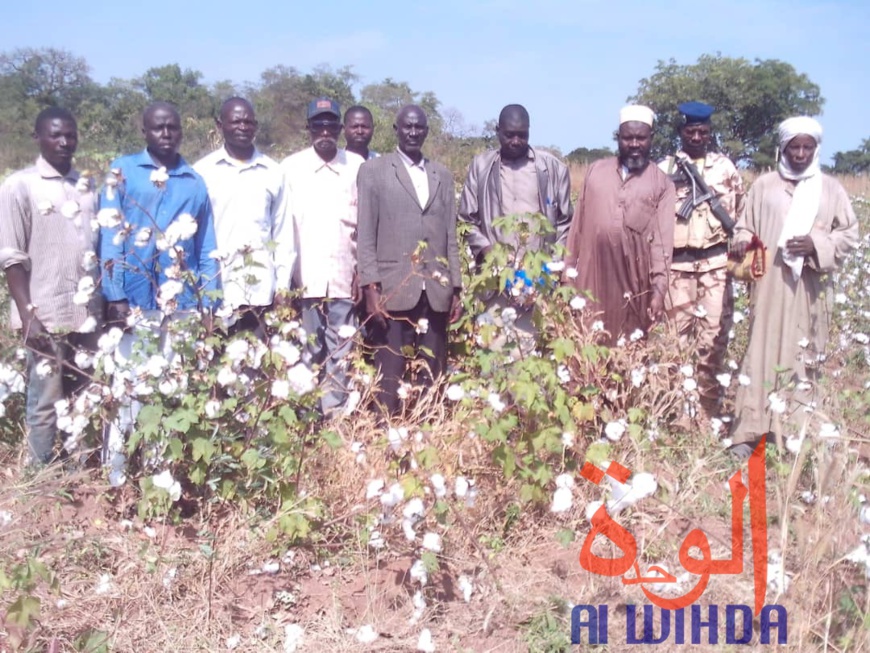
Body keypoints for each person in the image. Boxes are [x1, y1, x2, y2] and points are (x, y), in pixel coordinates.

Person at [99, 101, 219, 482]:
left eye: (172, 128)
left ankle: (156, 475)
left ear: (181, 131)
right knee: (128, 391)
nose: (165, 134)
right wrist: (114, 295)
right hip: (134, 301)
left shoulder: (194, 181)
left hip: (181, 304)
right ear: (144, 131)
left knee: (169, 388)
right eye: (158, 128)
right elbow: (110, 239)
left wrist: (208, 302)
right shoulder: (124, 173)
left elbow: (205, 247)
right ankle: (115, 476)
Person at [729, 117, 859, 458]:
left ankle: (796, 434)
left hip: (810, 288)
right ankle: (749, 431)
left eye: (807, 147)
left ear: (815, 149)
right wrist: (744, 242)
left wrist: (816, 245)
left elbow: (849, 235)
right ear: (783, 148)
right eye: (794, 146)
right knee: (760, 349)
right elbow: (744, 228)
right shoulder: (764, 186)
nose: (800, 153)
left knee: (803, 353)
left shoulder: (830, 189)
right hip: (770, 284)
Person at [0, 107, 101, 466]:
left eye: (70, 135)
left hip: (86, 315)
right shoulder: (19, 185)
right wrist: (28, 315)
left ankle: (81, 472)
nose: (63, 141)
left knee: (84, 394)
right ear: (37, 137)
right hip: (44, 311)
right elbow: (11, 256)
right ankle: (40, 479)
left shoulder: (87, 187)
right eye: (55, 135)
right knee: (45, 398)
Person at [357, 104, 463, 416]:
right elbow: (366, 234)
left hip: (434, 289)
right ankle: (383, 435)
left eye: (419, 128)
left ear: (426, 131)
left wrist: (456, 287)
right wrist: (370, 287)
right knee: (388, 374)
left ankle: (429, 429)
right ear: (396, 130)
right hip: (393, 288)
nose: (413, 133)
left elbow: (450, 236)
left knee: (433, 370)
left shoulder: (441, 174)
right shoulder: (374, 171)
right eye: (407, 127)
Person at [459, 104, 572, 355]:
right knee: (495, 354)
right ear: (497, 131)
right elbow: (466, 219)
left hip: (538, 280)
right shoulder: (481, 167)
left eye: (522, 134)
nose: (516, 140)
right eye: (509, 134)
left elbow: (566, 222)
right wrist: (487, 251)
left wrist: (551, 265)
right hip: (496, 280)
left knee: (533, 358)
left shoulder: (552, 169)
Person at [659, 101, 745, 418]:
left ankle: (707, 410)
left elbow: (742, 214)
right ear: (681, 132)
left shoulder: (726, 169)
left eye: (703, 132)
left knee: (713, 338)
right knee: (676, 341)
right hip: (676, 268)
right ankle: (678, 412)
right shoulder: (664, 169)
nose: (697, 137)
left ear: (709, 133)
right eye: (691, 131)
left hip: (716, 265)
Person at [281, 98, 364, 417]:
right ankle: (306, 419)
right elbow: (282, 227)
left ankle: (335, 418)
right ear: (308, 129)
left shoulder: (357, 166)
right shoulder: (290, 168)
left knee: (342, 352)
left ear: (341, 129)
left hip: (346, 278)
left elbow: (366, 224)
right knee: (308, 351)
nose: (325, 131)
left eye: (331, 125)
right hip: (306, 280)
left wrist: (363, 273)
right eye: (318, 125)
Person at [564, 105, 675, 342]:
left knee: (629, 351)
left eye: (640, 138)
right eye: (627, 138)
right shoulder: (596, 172)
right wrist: (567, 273)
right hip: (591, 280)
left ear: (651, 138)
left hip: (633, 287)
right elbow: (577, 230)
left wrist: (658, 290)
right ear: (618, 138)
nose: (634, 144)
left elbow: (662, 246)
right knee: (586, 349)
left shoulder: (662, 184)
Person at [194, 97, 293, 338]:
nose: (243, 127)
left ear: (256, 127)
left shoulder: (273, 172)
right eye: (236, 121)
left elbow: (282, 233)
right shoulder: (202, 172)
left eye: (249, 122)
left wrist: (283, 287)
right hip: (216, 291)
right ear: (220, 125)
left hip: (261, 292)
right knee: (215, 370)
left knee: (258, 369)